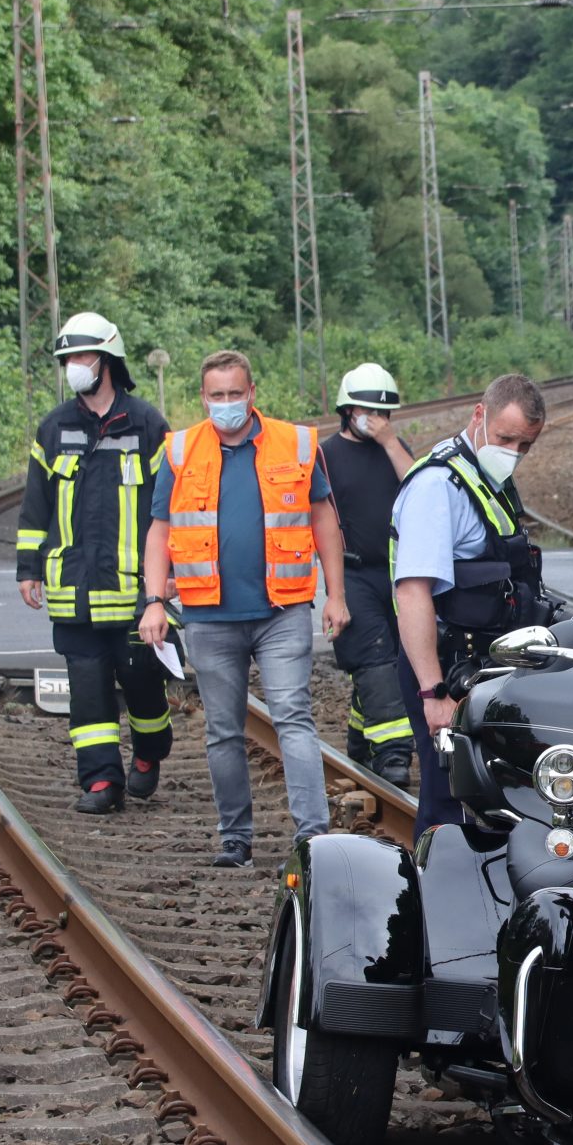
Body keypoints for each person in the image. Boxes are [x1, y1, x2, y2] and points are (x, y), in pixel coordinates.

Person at [139, 350, 348, 869]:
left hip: (283, 611)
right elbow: (160, 530)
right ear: (203, 398)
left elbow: (324, 519)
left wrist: (337, 594)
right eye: (218, 395)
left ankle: (312, 839)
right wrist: (154, 601)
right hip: (208, 616)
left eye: (236, 393)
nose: (227, 403)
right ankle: (235, 840)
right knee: (223, 731)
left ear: (252, 393)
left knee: (293, 719)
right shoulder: (179, 451)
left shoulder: (294, 443)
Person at [15, 311, 173, 815]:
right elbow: (35, 504)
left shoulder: (147, 425)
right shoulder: (53, 428)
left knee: (143, 683)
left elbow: (168, 508)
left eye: (82, 357)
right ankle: (102, 780)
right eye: (67, 359)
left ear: (106, 361)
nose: (73, 367)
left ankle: (149, 751)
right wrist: (28, 568)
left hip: (134, 593)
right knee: (87, 692)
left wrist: (165, 580)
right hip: (74, 591)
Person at [391, 373, 553, 835]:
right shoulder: (437, 486)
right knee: (450, 800)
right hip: (447, 664)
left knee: (495, 794)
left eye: (525, 445)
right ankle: (439, 877)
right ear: (478, 415)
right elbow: (412, 592)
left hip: (486, 662)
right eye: (505, 439)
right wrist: (433, 693)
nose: (513, 453)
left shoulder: (486, 477)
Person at [321, 362, 418, 786]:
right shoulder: (326, 456)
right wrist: (334, 594)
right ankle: (393, 754)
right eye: (365, 411)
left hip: (397, 573)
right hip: (351, 573)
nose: (374, 419)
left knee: (397, 658)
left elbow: (419, 490)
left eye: (382, 412)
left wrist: (390, 442)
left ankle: (361, 738)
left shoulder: (395, 448)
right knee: (375, 661)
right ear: (347, 411)